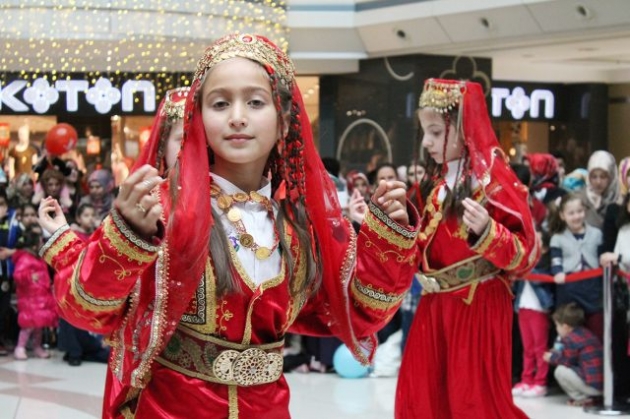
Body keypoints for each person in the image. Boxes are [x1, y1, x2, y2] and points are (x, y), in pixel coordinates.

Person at [38, 33, 419, 418]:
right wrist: (126, 238)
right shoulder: (162, 211)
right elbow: (84, 310)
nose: (238, 116)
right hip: (171, 408)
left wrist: (386, 240)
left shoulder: (300, 223)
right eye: (220, 103)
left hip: (268, 408)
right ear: (198, 117)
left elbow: (360, 313)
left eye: (255, 102)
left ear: (284, 118)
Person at [396, 78, 539, 419]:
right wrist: (388, 223)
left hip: (478, 303)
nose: (427, 142)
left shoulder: (493, 184)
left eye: (435, 132)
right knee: (423, 395)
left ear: (464, 129)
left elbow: (526, 256)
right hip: (433, 304)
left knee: (473, 400)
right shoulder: (433, 185)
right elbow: (417, 249)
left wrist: (489, 233)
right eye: (425, 133)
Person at [549, 193, 603, 342]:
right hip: (569, 289)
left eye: (579, 211)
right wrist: (558, 272)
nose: (576, 216)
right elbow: (556, 260)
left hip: (593, 289)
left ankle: (595, 356)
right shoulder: (557, 238)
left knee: (596, 331)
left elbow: (601, 257)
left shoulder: (596, 234)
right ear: (562, 215)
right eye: (571, 213)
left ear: (584, 211)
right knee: (569, 334)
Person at [512, 228, 554, 398]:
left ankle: (540, 382)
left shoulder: (545, 264)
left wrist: (525, 269)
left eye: (537, 241)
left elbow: (539, 280)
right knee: (527, 348)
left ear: (545, 247)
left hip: (539, 309)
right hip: (523, 307)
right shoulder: (524, 261)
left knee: (540, 348)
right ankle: (526, 379)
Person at [11, 225, 58, 360]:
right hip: (29, 298)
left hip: (41, 296)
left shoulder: (38, 258)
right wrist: (29, 277)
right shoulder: (25, 258)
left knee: (39, 325)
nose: (42, 245)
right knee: (28, 326)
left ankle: (37, 347)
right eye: (40, 243)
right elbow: (18, 275)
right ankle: (20, 347)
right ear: (33, 246)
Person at [543, 302, 603, 407]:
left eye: (557, 326)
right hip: (602, 384)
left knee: (560, 371)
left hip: (593, 386)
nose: (556, 329)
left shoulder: (570, 339)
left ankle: (583, 398)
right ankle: (593, 397)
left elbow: (567, 361)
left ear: (565, 327)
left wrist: (551, 357)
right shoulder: (585, 333)